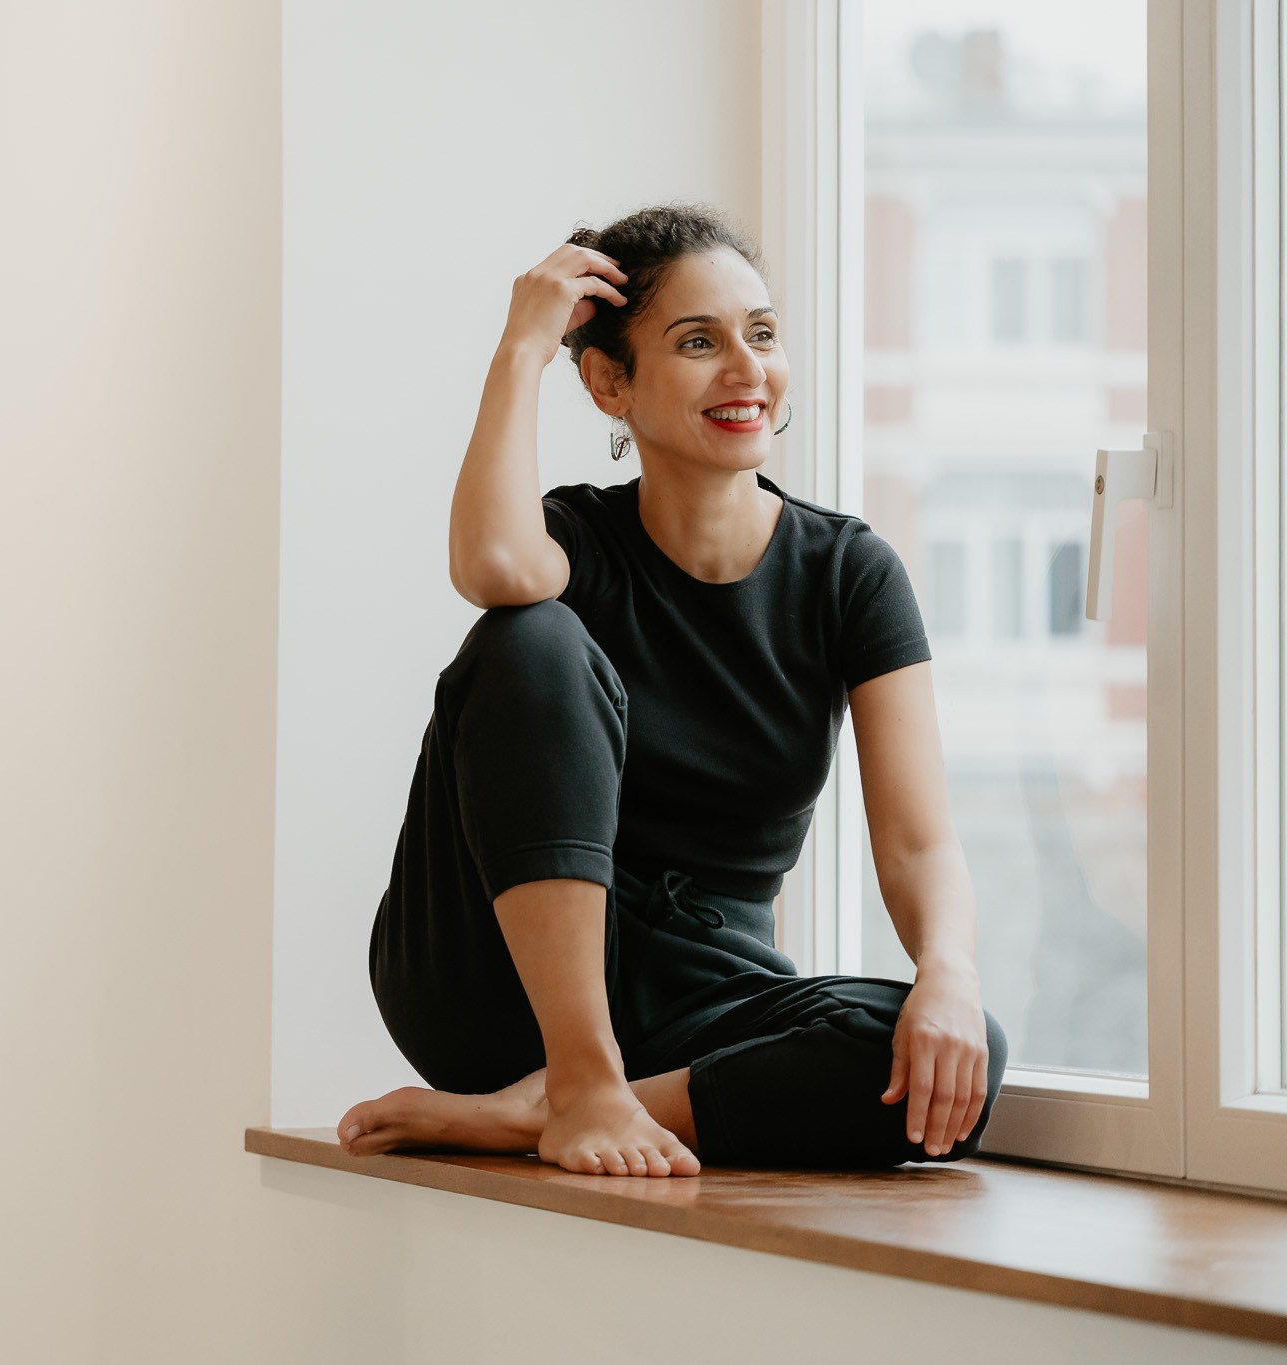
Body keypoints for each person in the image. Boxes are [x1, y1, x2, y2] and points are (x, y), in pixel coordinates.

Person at [336, 204, 1008, 1177]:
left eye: (761, 334)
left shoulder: (847, 573)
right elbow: (489, 563)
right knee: (528, 635)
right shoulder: (571, 545)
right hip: (492, 986)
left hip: (696, 1001)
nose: (745, 369)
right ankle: (572, 1075)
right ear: (610, 381)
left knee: (949, 1052)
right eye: (698, 341)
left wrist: (944, 972)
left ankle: (538, 1112)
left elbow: (914, 842)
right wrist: (523, 343)